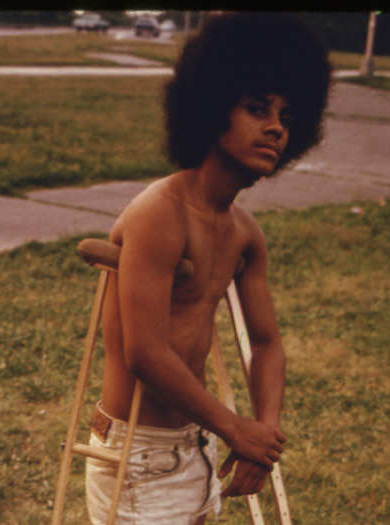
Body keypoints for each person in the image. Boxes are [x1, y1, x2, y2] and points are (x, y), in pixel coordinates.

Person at [85, 12, 331, 524]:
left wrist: (262, 432)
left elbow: (265, 342)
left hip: (194, 441)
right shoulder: (160, 213)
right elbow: (145, 353)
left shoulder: (244, 233)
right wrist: (236, 428)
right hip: (138, 450)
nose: (275, 128)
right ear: (212, 106)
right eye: (257, 109)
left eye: (287, 117)